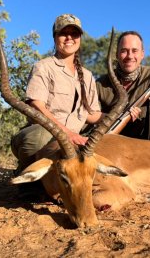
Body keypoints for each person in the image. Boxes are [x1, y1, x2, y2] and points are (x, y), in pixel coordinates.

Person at [11, 14, 103, 176]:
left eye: (74, 34)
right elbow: (36, 106)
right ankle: (29, 179)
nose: (69, 38)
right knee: (37, 139)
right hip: (47, 133)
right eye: (63, 33)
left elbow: (91, 115)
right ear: (55, 38)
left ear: (80, 38)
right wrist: (67, 134)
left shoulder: (88, 76)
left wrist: (119, 116)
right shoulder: (43, 67)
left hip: (75, 139)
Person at [96, 31, 150, 142]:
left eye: (134, 51)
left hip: (137, 131)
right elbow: (92, 115)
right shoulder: (101, 83)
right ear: (117, 54)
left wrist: (137, 113)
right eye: (124, 51)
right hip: (110, 135)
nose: (130, 56)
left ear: (142, 54)